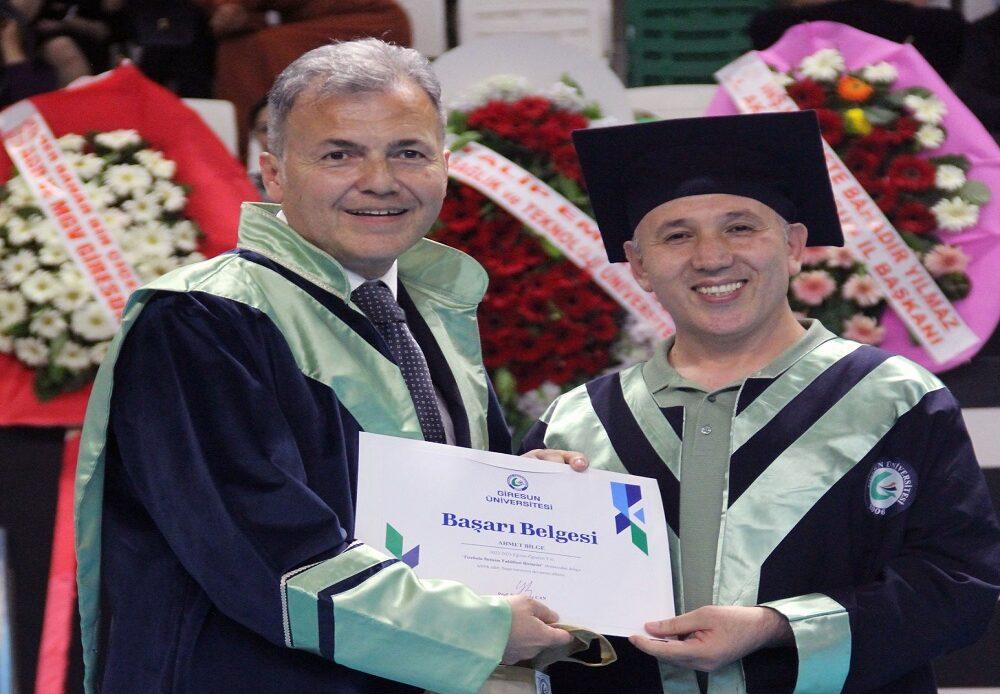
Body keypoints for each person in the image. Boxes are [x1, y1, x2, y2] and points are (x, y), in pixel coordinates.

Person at [74, 39, 581, 694]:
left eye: (409, 152)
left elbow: (422, 501)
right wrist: (476, 630)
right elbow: (262, 554)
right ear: (274, 173)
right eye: (340, 154)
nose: (380, 180)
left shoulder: (428, 307)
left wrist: (518, 495)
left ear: (445, 166)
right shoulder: (201, 320)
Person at [522, 111, 1000, 693]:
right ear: (640, 265)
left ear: (794, 246)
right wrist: (527, 511)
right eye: (676, 235)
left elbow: (959, 587)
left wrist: (780, 627)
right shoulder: (576, 425)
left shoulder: (893, 399)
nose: (711, 257)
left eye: (741, 227)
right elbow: (529, 615)